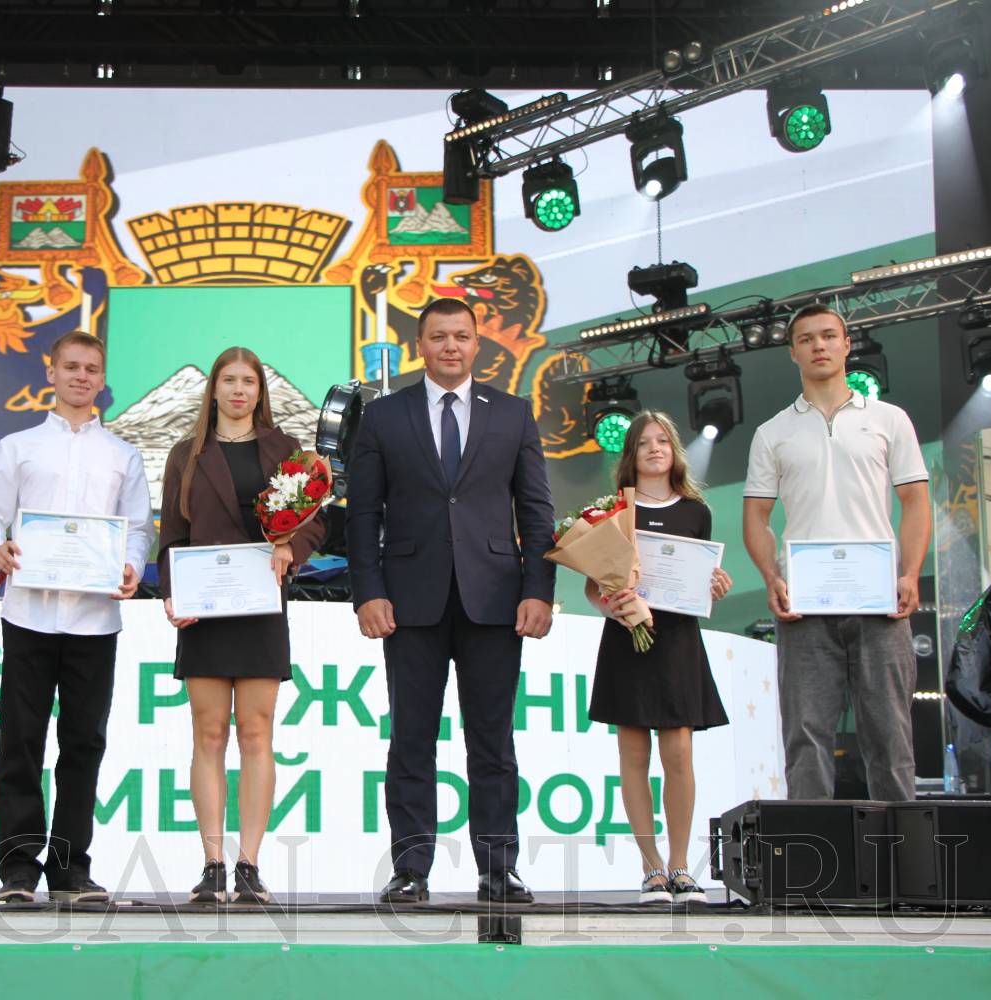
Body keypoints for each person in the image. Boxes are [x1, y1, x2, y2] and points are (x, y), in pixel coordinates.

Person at [346, 298, 556, 904]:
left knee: (493, 741)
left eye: (461, 336)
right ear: (421, 344)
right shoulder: (384, 416)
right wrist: (368, 592)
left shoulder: (513, 413)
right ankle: (411, 869)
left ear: (476, 343)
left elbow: (536, 511)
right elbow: (363, 515)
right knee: (411, 740)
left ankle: (498, 868)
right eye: (438, 337)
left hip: (496, 600)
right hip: (409, 602)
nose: (450, 347)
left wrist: (538, 589)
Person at [0, 331, 154, 904]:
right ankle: (18, 871)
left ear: (102, 379)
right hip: (27, 613)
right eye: (71, 367)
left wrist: (130, 565)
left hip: (95, 621)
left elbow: (139, 528)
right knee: (20, 742)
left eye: (91, 369)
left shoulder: (123, 455)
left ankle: (71, 870)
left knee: (83, 745)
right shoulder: (18, 447)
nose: (80, 377)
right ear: (51, 372)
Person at [157, 347, 326, 904]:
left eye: (247, 381)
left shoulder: (285, 449)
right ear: (213, 389)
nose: (237, 390)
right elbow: (172, 537)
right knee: (208, 734)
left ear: (260, 390)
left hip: (260, 607)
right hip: (204, 610)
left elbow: (315, 522)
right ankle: (212, 864)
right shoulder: (185, 454)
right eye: (228, 380)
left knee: (256, 732)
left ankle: (249, 864)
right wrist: (173, 594)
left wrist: (290, 546)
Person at [743, 304, 931, 802]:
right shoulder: (772, 432)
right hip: (804, 604)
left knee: (891, 740)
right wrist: (771, 576)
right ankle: (811, 854)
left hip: (880, 600)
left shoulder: (889, 419)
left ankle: (901, 852)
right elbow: (756, 516)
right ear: (793, 353)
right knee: (805, 740)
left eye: (828, 336)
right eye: (806, 339)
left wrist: (910, 573)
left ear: (847, 345)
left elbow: (915, 501)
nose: (819, 346)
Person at [584, 411, 731, 904]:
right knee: (633, 756)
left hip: (678, 641)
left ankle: (681, 866)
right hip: (626, 639)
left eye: (663, 440)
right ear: (630, 453)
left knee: (679, 753)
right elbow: (593, 585)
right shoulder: (612, 511)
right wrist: (613, 606)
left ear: (674, 451)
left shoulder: (696, 511)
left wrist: (715, 588)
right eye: (644, 442)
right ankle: (650, 869)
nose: (654, 448)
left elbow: (700, 580)